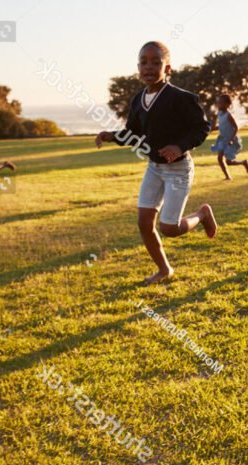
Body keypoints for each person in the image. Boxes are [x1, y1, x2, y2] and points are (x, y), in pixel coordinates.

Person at [95, 41, 214, 285]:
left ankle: (202, 214)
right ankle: (164, 270)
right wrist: (111, 136)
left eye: (156, 62)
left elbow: (202, 128)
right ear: (138, 67)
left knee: (169, 228)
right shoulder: (138, 100)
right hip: (154, 168)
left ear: (167, 69)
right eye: (143, 62)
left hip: (179, 169)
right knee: (144, 223)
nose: (149, 66)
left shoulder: (180, 98)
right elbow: (133, 133)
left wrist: (179, 146)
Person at [211, 94, 248, 180]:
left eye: (220, 103)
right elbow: (222, 125)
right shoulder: (219, 114)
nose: (218, 104)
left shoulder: (228, 115)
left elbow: (235, 127)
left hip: (230, 140)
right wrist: (214, 128)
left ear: (227, 105)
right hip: (222, 139)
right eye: (218, 102)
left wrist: (232, 139)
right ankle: (227, 176)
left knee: (229, 162)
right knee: (219, 158)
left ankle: (243, 162)